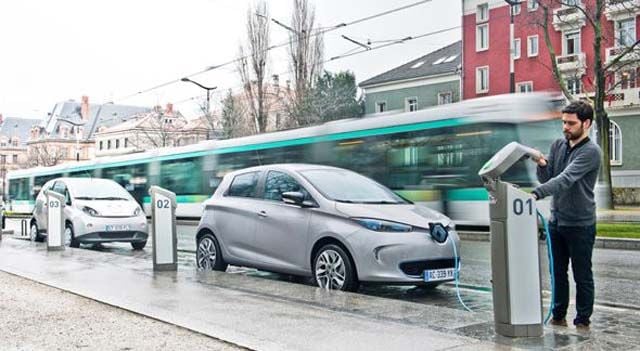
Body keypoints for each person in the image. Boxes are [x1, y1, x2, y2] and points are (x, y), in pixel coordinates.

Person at [530, 100, 602, 329]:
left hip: (580, 223)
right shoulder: (558, 145)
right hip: (556, 221)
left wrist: (535, 194)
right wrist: (542, 164)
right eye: (564, 122)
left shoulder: (591, 152)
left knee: (582, 275)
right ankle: (558, 314)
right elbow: (549, 176)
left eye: (571, 123)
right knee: (557, 273)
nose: (566, 127)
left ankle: (582, 320)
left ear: (586, 123)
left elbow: (565, 179)